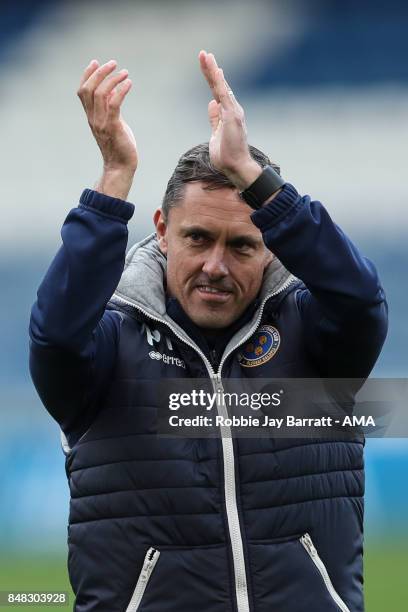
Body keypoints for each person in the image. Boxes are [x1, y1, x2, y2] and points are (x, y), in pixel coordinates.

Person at [29, 51, 387, 612]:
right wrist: (114, 179)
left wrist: (255, 178)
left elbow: (362, 300)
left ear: (271, 245)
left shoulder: (313, 335)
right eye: (198, 238)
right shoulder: (108, 347)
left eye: (241, 245)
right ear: (163, 232)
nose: (216, 266)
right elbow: (53, 338)